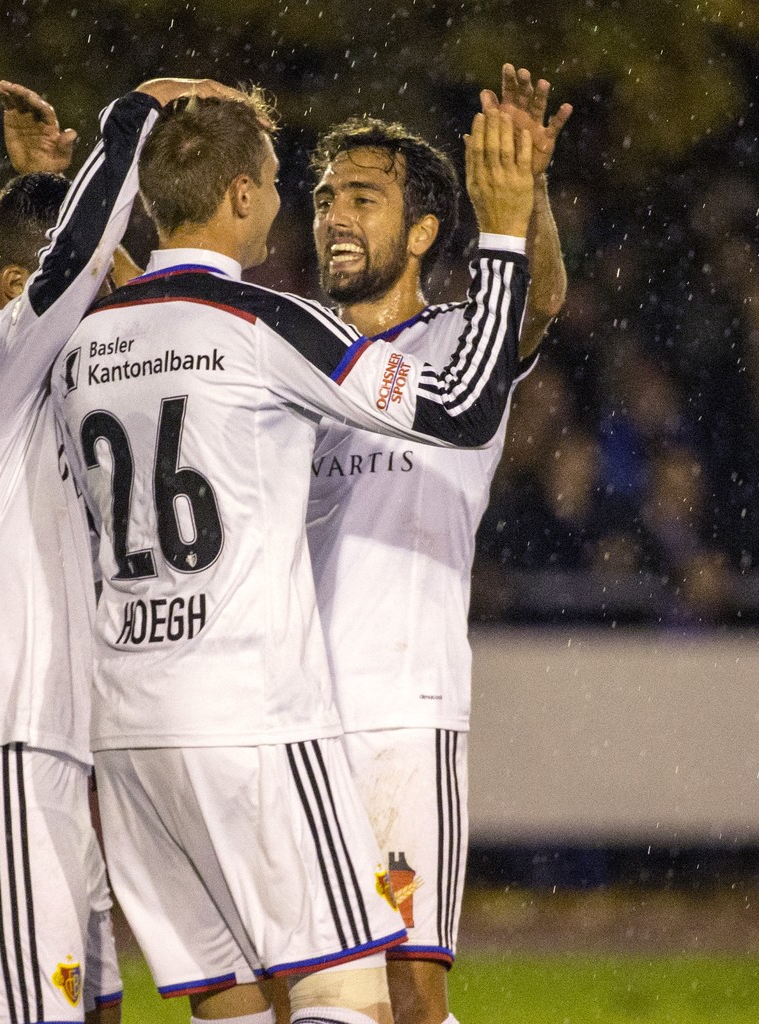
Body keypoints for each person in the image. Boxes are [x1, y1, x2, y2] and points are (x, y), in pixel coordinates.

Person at [51, 87, 534, 1024]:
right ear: (238, 195)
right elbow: (465, 406)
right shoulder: (268, 324)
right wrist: (505, 234)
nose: (298, 205)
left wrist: (105, 147)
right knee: (350, 995)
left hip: (129, 720)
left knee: (234, 1002)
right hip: (255, 712)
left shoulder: (83, 341)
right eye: (284, 183)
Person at [0, 76, 228, 1024]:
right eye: (73, 290)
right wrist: (134, 114)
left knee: (94, 1009)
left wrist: (56, 190)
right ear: (19, 294)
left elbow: (113, 283)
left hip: (47, 758)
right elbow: (69, 273)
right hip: (3, 750)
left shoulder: (22, 392)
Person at [303, 64, 569, 1024]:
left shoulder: (464, 338)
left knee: (411, 996)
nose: (333, 214)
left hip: (399, 711)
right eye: (326, 196)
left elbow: (539, 301)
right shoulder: (290, 348)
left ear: (421, 232)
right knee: (307, 993)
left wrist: (524, 195)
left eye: (362, 198)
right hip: (281, 711)